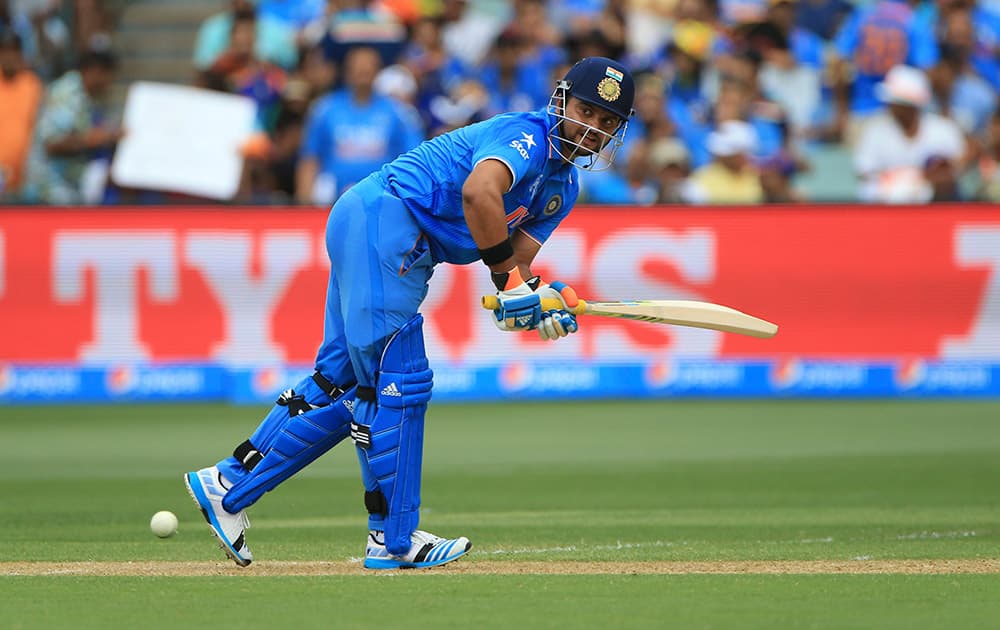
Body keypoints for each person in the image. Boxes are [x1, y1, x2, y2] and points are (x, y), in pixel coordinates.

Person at [184, 56, 636, 570]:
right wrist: (513, 283)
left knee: (345, 382)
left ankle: (226, 484)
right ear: (560, 101)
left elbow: (511, 265)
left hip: (386, 234)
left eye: (607, 122)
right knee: (401, 380)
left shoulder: (563, 188)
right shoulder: (525, 135)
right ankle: (393, 541)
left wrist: (540, 303)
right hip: (389, 219)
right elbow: (479, 193)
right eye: (586, 110)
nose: (593, 128)